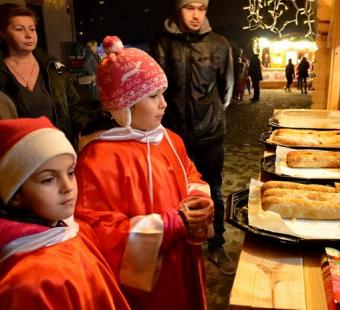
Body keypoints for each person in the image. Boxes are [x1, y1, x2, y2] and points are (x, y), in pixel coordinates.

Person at [75, 36, 214, 310]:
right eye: (153, 96)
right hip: (144, 283)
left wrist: (198, 201)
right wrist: (169, 225)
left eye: (162, 93)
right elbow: (96, 231)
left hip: (182, 258)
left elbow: (191, 176)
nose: (164, 103)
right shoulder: (98, 159)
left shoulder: (170, 140)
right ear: (123, 108)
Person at [0, 116, 130, 309]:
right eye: (48, 180)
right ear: (16, 194)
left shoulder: (69, 231)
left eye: (70, 173)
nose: (67, 187)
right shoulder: (28, 281)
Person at [150, 0, 236, 276]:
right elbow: (156, 89)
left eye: (202, 8)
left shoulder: (220, 44)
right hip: (172, 136)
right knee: (172, 190)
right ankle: (180, 243)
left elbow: (226, 92)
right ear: (178, 9)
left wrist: (209, 117)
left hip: (210, 134)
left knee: (213, 189)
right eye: (190, 7)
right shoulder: (162, 43)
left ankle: (216, 243)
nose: (197, 14)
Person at [0, 3, 96, 149]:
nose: (29, 35)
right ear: (3, 33)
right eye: (19, 29)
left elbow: (76, 109)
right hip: (21, 157)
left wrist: (100, 125)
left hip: (61, 150)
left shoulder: (55, 69)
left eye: (32, 29)